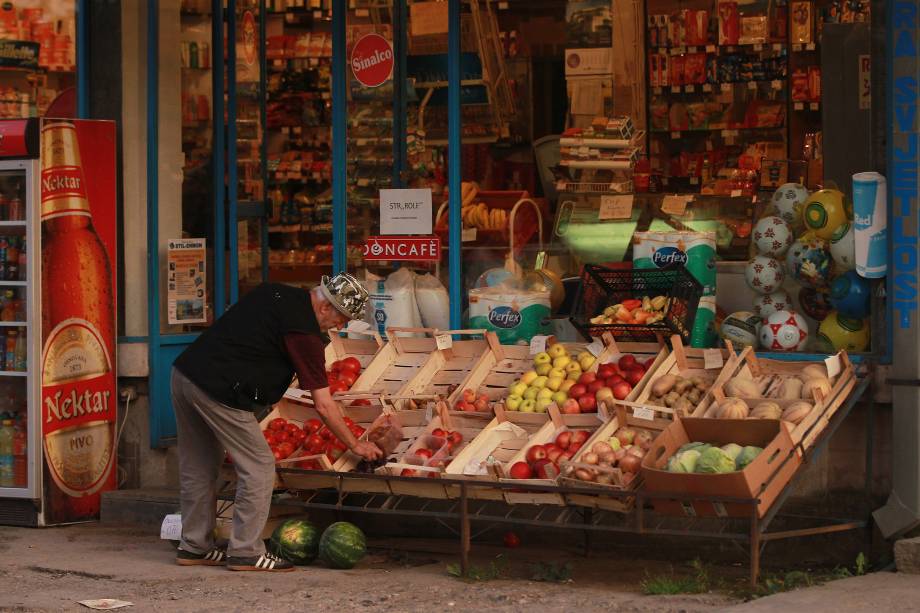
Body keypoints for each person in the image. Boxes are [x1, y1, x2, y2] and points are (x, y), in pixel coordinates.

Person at [170, 273, 383, 572]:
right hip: (219, 389)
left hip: (185, 375)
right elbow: (323, 403)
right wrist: (355, 443)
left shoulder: (275, 292)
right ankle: (245, 551)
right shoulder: (305, 333)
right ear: (325, 308)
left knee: (199, 466)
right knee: (258, 466)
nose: (341, 326)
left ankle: (194, 547)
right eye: (342, 318)